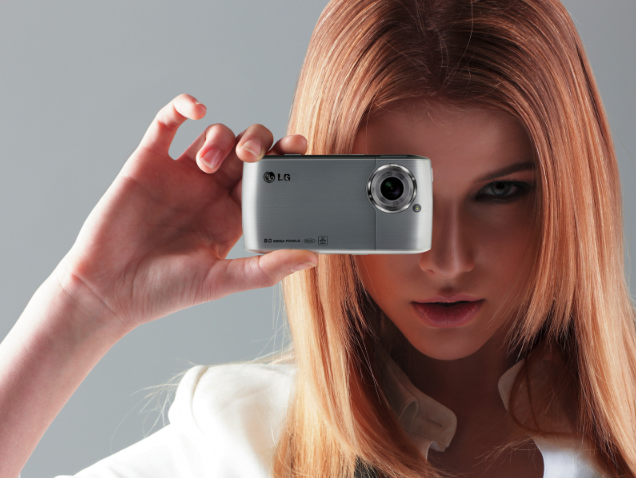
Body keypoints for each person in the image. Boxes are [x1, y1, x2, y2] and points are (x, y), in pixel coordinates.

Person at [1, 0, 634, 476]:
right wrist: (87, 302)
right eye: (396, 198)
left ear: (573, 195)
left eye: (499, 191)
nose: (448, 260)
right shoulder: (243, 440)